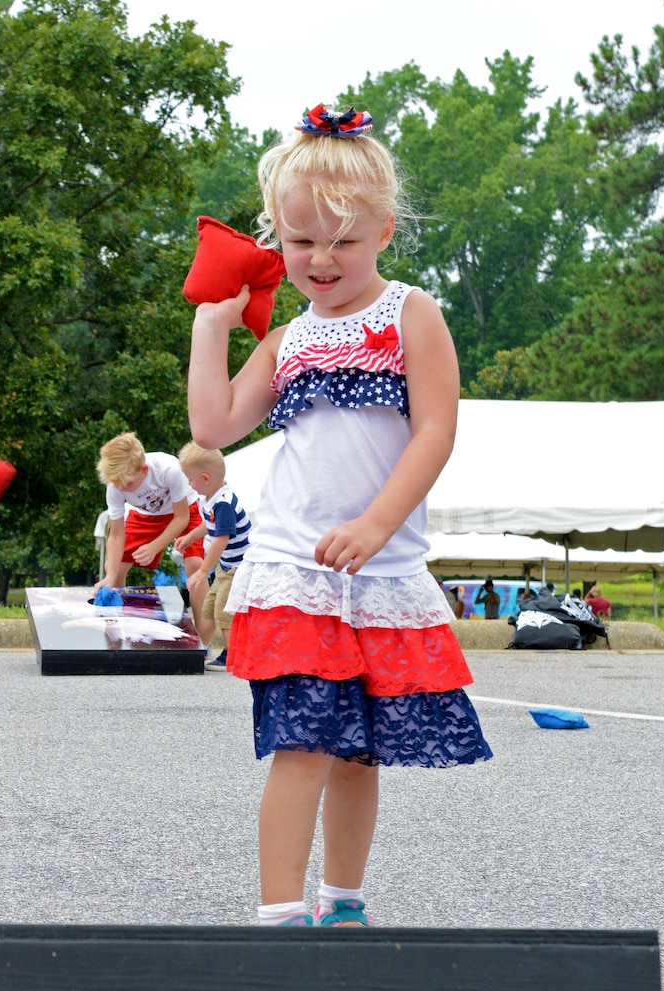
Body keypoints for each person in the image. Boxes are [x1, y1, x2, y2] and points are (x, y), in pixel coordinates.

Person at [186, 103, 491, 929]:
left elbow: (436, 431)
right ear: (276, 236)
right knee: (303, 741)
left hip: (381, 569)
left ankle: (342, 904)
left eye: (344, 242)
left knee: (360, 751)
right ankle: (280, 914)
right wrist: (210, 327)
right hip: (295, 569)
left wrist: (377, 525)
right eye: (300, 241)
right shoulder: (286, 341)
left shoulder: (409, 315)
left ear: (385, 232)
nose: (321, 260)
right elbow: (213, 426)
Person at [177, 442, 252, 665]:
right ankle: (202, 648)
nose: (189, 484)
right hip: (226, 565)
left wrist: (202, 571)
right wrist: (190, 537)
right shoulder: (208, 500)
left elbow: (221, 539)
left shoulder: (224, 503)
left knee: (224, 612)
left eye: (190, 479)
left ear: (206, 478)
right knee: (209, 607)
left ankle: (233, 657)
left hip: (240, 566)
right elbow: (209, 525)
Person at [95, 433, 194, 590]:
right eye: (116, 484)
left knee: (194, 564)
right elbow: (116, 534)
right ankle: (118, 608)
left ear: (144, 470)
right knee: (114, 566)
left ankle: (201, 615)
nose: (122, 488)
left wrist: (154, 546)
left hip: (184, 508)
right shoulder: (116, 486)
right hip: (147, 514)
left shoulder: (168, 469)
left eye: (128, 484)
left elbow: (182, 518)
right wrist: (110, 577)